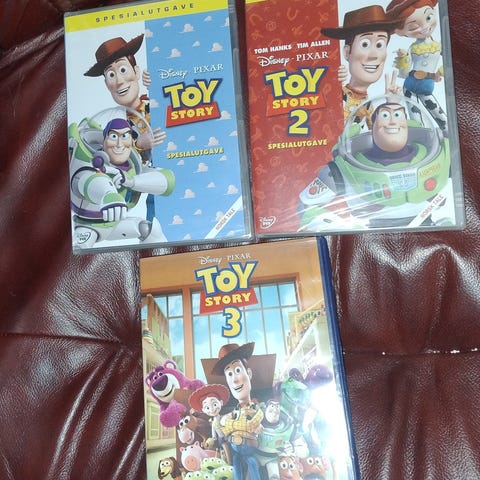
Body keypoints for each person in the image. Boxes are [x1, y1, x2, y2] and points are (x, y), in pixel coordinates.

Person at [85, 35, 166, 220]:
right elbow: (118, 161)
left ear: (136, 72)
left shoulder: (154, 102)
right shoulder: (114, 123)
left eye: (122, 70)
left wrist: (159, 84)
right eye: (111, 75)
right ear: (107, 84)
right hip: (149, 182)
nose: (119, 81)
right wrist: (139, 145)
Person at [69, 117, 175, 248]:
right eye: (114, 136)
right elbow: (88, 181)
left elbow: (167, 181)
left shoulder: (131, 165)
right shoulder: (91, 162)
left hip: (115, 223)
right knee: (80, 249)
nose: (119, 144)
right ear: (104, 140)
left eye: (124, 136)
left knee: (149, 230)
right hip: (88, 226)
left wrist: (131, 181)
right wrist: (109, 195)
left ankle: (160, 259)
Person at [321, 5, 401, 128]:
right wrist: (330, 82)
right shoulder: (337, 94)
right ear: (347, 52)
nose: (374, 55)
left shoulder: (368, 105)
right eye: (365, 44)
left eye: (380, 45)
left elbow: (378, 133)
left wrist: (391, 103)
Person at [386, 0, 448, 133]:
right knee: (414, 114)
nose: (424, 27)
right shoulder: (412, 48)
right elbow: (404, 73)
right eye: (413, 27)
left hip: (427, 83)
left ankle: (448, 131)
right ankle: (420, 134)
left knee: (435, 109)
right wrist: (403, 58)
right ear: (401, 32)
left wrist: (441, 71)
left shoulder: (438, 46)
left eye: (428, 18)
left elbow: (451, 61)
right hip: (409, 84)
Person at [211, 342, 264, 480]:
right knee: (236, 466)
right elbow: (223, 431)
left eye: (238, 370)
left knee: (252, 463)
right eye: (229, 374)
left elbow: (252, 423)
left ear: (249, 373)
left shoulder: (256, 408)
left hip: (249, 447)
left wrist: (231, 425)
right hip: (235, 448)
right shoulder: (233, 412)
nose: (234, 379)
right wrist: (220, 423)